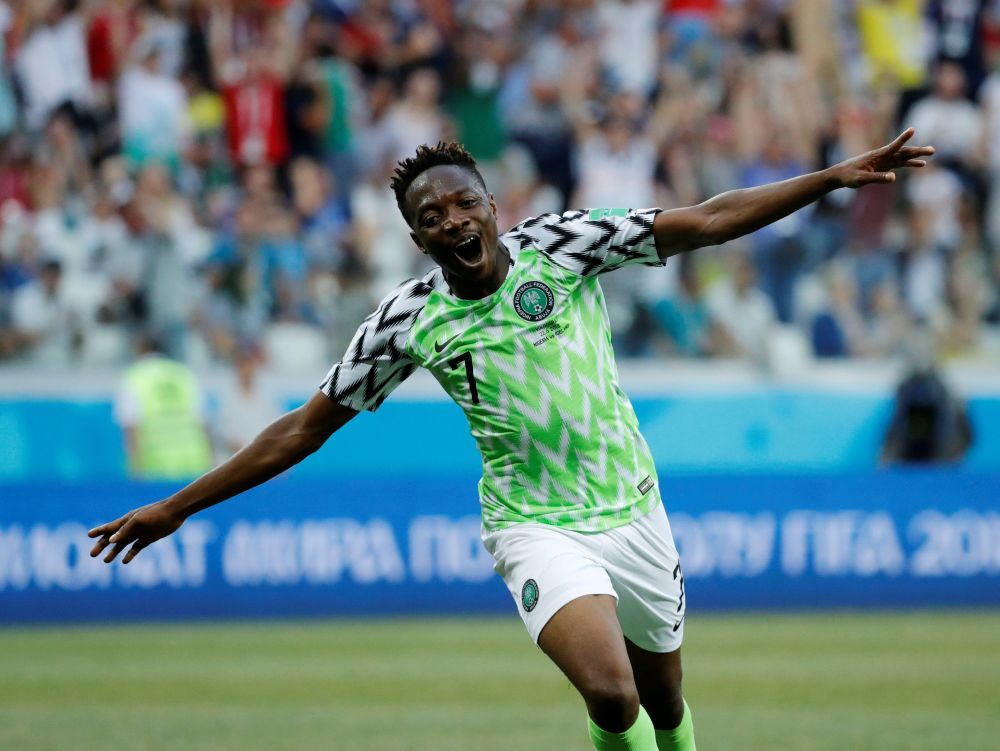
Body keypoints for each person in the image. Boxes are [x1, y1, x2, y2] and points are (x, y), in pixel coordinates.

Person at [89, 130, 934, 751]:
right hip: (535, 523)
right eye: (432, 215)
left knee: (665, 703)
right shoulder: (406, 320)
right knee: (610, 693)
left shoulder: (564, 247)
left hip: (634, 510)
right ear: (417, 237)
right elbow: (302, 430)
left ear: (493, 208)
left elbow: (708, 220)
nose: (453, 220)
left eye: (464, 202)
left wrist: (829, 176)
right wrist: (176, 506)